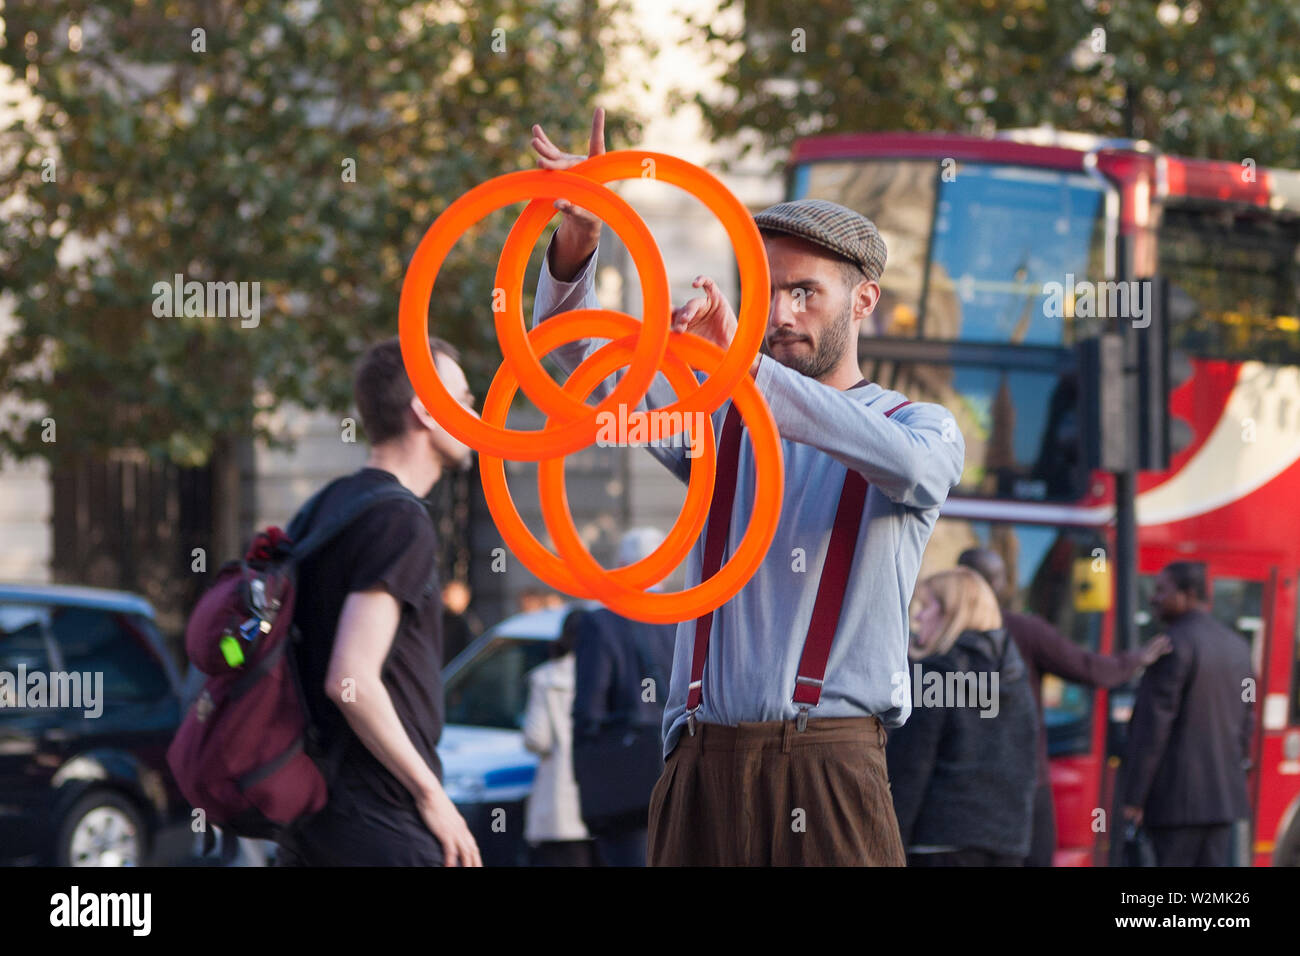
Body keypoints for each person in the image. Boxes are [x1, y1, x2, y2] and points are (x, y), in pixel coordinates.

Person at [530, 108, 964, 865]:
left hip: (828, 767)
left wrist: (739, 367)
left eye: (807, 294)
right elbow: (578, 370)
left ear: (863, 302)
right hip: (700, 765)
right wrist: (580, 237)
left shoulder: (919, 426)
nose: (782, 314)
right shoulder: (720, 423)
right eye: (770, 292)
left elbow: (909, 466)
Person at [276, 337, 482, 867]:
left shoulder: (325, 507)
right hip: (379, 821)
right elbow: (351, 680)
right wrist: (431, 796)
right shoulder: (401, 521)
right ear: (424, 409)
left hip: (316, 816)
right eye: (461, 397)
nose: (474, 410)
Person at [958, 546, 1171, 866]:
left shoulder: (940, 634)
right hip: (1023, 777)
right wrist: (1137, 660)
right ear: (1000, 585)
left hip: (958, 776)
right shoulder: (1023, 630)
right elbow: (1088, 667)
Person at [1121, 561, 1254, 866]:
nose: (1154, 598)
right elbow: (1248, 715)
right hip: (1224, 800)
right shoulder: (1238, 647)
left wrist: (1134, 797)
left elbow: (1153, 728)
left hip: (1174, 803)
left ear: (1187, 594)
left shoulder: (1171, 646)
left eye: (1161, 591)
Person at [569, 528, 677, 866]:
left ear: (620, 565)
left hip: (624, 777)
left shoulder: (600, 624)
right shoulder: (682, 618)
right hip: (679, 769)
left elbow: (589, 709)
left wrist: (584, 770)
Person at [522, 610, 596, 866]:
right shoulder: (603, 672)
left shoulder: (546, 677)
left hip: (560, 805)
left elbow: (536, 738)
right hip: (604, 800)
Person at [440, 579, 479, 666]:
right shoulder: (442, 619)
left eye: (451, 594)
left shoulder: (467, 623)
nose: (445, 598)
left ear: (465, 598)